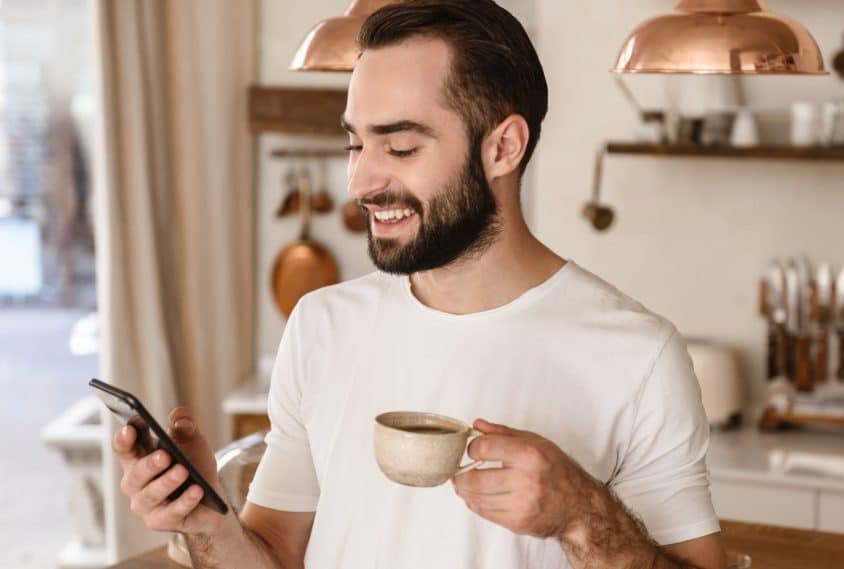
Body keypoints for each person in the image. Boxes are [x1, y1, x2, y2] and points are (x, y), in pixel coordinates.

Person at [111, 1, 727, 567]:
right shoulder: (322, 326)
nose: (360, 181)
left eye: (399, 147)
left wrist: (582, 517)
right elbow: (276, 553)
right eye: (355, 142)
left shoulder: (638, 355)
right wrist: (205, 524)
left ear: (504, 147)